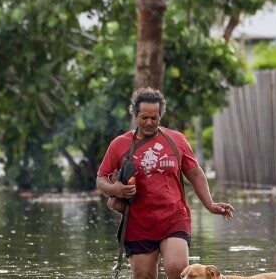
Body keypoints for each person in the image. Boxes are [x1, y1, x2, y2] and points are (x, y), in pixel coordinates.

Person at [96, 87, 234, 279]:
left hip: (174, 217)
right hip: (138, 222)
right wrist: (115, 189)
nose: (150, 123)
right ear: (135, 114)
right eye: (144, 117)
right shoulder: (119, 144)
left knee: (178, 269)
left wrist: (210, 205)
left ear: (160, 115)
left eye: (155, 118)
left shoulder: (177, 140)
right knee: (144, 276)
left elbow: (195, 174)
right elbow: (101, 179)